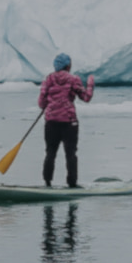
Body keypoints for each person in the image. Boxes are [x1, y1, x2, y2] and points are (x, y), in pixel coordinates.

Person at [38, 53, 94, 189]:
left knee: (50, 152)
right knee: (71, 154)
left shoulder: (48, 80)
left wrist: (51, 104)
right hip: (69, 122)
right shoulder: (74, 79)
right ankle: (72, 183)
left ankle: (47, 182)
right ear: (68, 66)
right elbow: (86, 97)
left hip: (51, 121)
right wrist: (91, 84)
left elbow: (41, 103)